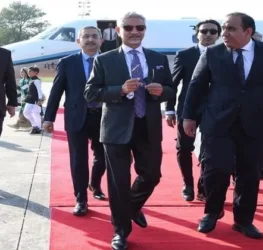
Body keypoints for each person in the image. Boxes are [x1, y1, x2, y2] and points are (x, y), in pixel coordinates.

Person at [182, 12, 263, 239]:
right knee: (216, 170)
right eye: (223, 28)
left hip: (255, 123)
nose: (223, 33)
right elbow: (195, 86)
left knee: (249, 173)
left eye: (230, 29)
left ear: (248, 32)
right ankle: (212, 212)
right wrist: (189, 116)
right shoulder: (212, 53)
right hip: (217, 122)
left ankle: (243, 220)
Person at [84, 12, 174, 250]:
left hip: (148, 126)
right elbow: (91, 93)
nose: (135, 32)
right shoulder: (105, 59)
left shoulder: (158, 58)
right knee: (118, 182)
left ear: (145, 30)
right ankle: (120, 231)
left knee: (152, 175)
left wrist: (161, 92)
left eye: (140, 28)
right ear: (118, 30)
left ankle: (131, 208)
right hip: (116, 129)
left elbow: (171, 90)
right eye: (129, 27)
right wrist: (119, 90)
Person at [43, 26, 106, 216]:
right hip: (76, 117)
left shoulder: (111, 61)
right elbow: (56, 92)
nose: (90, 40)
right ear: (78, 41)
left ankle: (94, 183)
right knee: (78, 160)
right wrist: (48, 117)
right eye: (85, 36)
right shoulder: (67, 63)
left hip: (105, 117)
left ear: (101, 40)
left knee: (103, 157)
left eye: (94, 36)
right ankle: (81, 199)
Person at [165, 19, 221, 202]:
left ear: (218, 35)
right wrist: (170, 110)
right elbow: (173, 84)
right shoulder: (185, 55)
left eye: (213, 32)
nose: (208, 35)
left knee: (210, 150)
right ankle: (187, 184)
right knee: (184, 148)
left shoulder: (225, 55)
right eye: (204, 31)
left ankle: (203, 186)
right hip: (187, 109)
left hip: (214, 110)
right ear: (197, 34)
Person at [0, 48, 17, 136]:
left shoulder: (5, 54)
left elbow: (10, 80)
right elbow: (10, 80)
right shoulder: (4, 54)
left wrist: (12, 102)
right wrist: (12, 102)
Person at [23, 66, 43, 134]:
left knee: (36, 113)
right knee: (26, 113)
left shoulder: (37, 80)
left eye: (30, 71)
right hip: (30, 99)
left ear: (36, 72)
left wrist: (40, 99)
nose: (29, 72)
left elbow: (39, 90)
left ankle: (38, 128)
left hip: (35, 100)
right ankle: (35, 126)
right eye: (28, 71)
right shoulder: (31, 80)